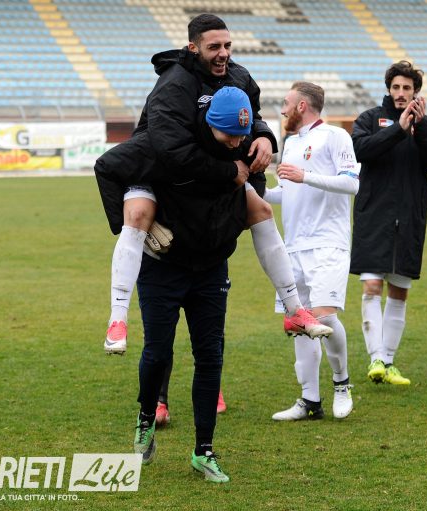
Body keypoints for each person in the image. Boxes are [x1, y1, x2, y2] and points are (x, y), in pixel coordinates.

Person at [103, 13, 328, 357]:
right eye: (214, 47)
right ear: (193, 48)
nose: (223, 53)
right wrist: (228, 172)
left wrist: (264, 137)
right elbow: (171, 150)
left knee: (262, 210)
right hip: (156, 165)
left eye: (227, 45)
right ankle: (117, 320)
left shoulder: (238, 75)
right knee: (138, 214)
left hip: (211, 167)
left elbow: (253, 116)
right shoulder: (173, 85)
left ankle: (295, 309)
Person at [96, 86, 261, 482]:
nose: (236, 142)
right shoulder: (167, 146)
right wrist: (135, 222)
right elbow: (110, 168)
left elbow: (254, 192)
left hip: (210, 268)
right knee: (157, 352)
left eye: (240, 135)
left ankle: (204, 450)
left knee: (210, 357)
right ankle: (145, 416)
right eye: (229, 135)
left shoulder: (241, 146)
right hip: (163, 268)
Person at [349, 61, 427, 386]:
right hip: (373, 217)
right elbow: (359, 149)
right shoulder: (370, 119)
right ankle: (376, 358)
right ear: (389, 89)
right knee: (371, 287)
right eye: (396, 87)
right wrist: (398, 129)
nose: (401, 93)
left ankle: (389, 362)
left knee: (399, 292)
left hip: (409, 220)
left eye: (407, 88)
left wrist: (421, 128)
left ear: (415, 91)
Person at [266, 82, 359, 421]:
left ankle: (342, 383)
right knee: (299, 321)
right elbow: (285, 192)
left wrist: (305, 175)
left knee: (323, 316)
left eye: (286, 103)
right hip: (294, 246)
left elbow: (351, 183)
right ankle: (309, 401)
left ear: (302, 106)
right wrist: (253, 190)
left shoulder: (335, 136)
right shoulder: (290, 142)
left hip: (328, 242)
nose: (282, 109)